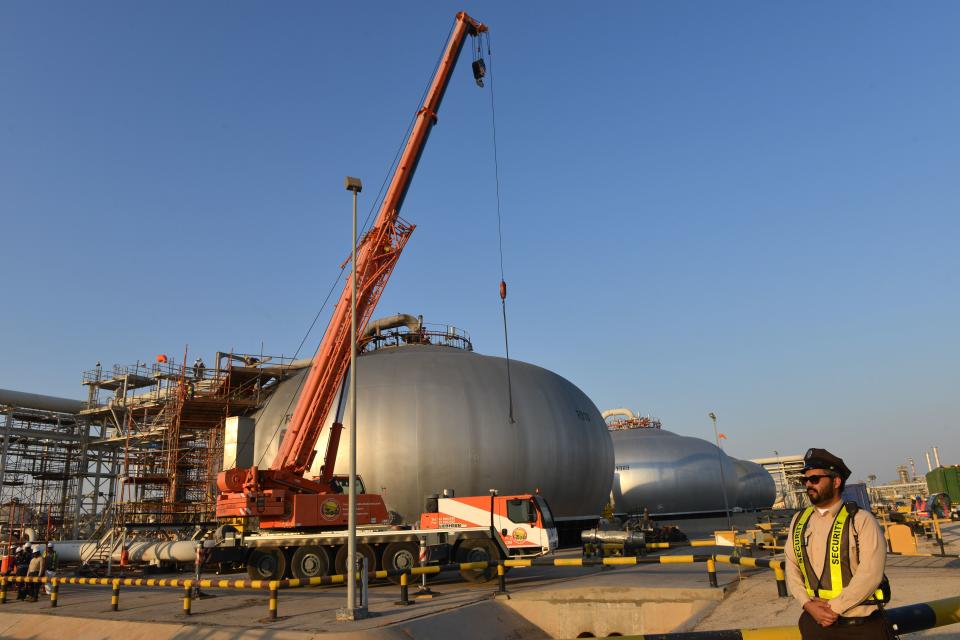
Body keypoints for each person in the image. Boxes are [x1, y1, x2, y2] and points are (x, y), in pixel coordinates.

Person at [785, 448, 893, 639]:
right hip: (817, 624)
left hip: (861, 625)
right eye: (805, 480)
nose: (808, 484)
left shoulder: (860, 520)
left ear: (836, 481)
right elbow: (792, 566)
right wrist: (807, 604)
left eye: (815, 479)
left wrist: (833, 608)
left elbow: (871, 573)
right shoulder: (799, 520)